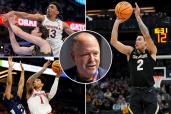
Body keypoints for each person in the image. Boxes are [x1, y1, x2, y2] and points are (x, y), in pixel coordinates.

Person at [110, 3, 159, 114]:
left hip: (149, 91)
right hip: (135, 92)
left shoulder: (151, 52)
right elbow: (113, 42)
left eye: (139, 39)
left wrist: (138, 17)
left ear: (146, 43)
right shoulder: (130, 52)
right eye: (136, 39)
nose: (137, 41)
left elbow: (146, 34)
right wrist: (117, 22)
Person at [7, 1, 74, 57]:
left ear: (57, 12)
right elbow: (27, 15)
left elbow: (74, 35)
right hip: (44, 45)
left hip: (58, 48)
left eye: (52, 7)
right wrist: (15, 13)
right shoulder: (42, 18)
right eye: (48, 7)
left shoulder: (62, 24)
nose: (48, 8)